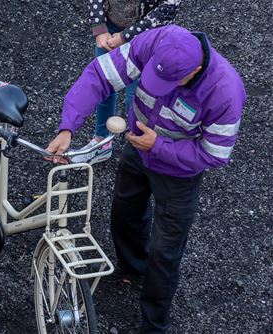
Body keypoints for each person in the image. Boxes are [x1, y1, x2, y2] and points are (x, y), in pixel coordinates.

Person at [47, 25, 245, 333]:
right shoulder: (156, 41)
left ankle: (154, 322)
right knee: (125, 213)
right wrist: (68, 127)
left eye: (169, 82)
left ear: (194, 70)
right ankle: (131, 268)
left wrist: (159, 147)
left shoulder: (226, 91)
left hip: (179, 174)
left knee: (165, 250)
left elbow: (214, 154)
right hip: (138, 150)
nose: (156, 86)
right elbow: (101, 75)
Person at [75, 0, 182, 165]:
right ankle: (102, 142)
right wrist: (99, 27)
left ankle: (138, 149)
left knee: (138, 97)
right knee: (104, 82)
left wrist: (126, 36)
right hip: (110, 27)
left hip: (147, 37)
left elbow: (167, 8)